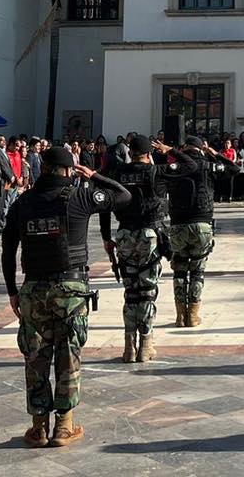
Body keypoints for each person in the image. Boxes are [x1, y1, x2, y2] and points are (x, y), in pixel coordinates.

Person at [2, 145, 132, 448]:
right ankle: (64, 426)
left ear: (43, 168)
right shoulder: (79, 196)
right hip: (71, 290)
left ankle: (38, 427)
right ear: (67, 170)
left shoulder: (23, 202)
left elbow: (8, 250)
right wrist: (95, 175)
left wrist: (12, 291)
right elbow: (124, 197)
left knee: (35, 359)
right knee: (68, 356)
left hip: (33, 290)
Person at [160, 136, 238, 326]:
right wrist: (215, 154)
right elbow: (234, 169)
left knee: (179, 270)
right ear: (201, 148)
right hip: (202, 224)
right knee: (197, 271)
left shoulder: (175, 167)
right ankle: (193, 315)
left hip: (178, 224)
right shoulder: (208, 165)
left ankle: (180, 315)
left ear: (185, 148)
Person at [108, 134, 168, 363]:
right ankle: (145, 343)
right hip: (148, 234)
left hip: (124, 234)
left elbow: (106, 203)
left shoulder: (118, 173)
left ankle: (128, 346)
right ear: (148, 154)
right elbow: (190, 166)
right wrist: (169, 150)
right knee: (146, 292)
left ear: (129, 152)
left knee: (130, 291)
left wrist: (106, 237)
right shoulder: (155, 172)